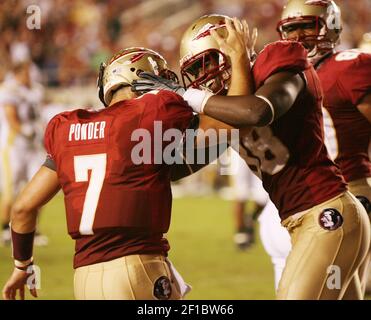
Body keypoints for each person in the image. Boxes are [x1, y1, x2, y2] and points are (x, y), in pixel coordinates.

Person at [132, 14, 370, 299]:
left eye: (207, 61)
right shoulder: (222, 109)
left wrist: (189, 95)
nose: (202, 75)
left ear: (233, 49)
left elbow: (257, 112)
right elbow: (178, 165)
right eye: (195, 69)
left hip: (327, 211)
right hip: (303, 220)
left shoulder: (277, 59)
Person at [2, 47, 192, 300]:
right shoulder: (146, 115)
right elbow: (219, 126)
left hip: (84, 278)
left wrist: (22, 267)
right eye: (158, 80)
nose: (165, 86)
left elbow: (23, 208)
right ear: (140, 81)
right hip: (137, 268)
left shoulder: (69, 128)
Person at [276, 0, 371, 298]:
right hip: (310, 198)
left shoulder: (349, 67)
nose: (299, 35)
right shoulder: (289, 76)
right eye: (291, 28)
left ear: (330, 26)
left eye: (307, 25)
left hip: (350, 190)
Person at [0, 61, 47, 247]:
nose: (30, 76)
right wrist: (24, 130)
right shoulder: (9, 89)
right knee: (11, 190)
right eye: (27, 72)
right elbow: (12, 117)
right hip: (14, 147)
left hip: (33, 147)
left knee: (39, 189)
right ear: (18, 73)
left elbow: (38, 115)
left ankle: (31, 230)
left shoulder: (36, 89)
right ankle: (5, 229)